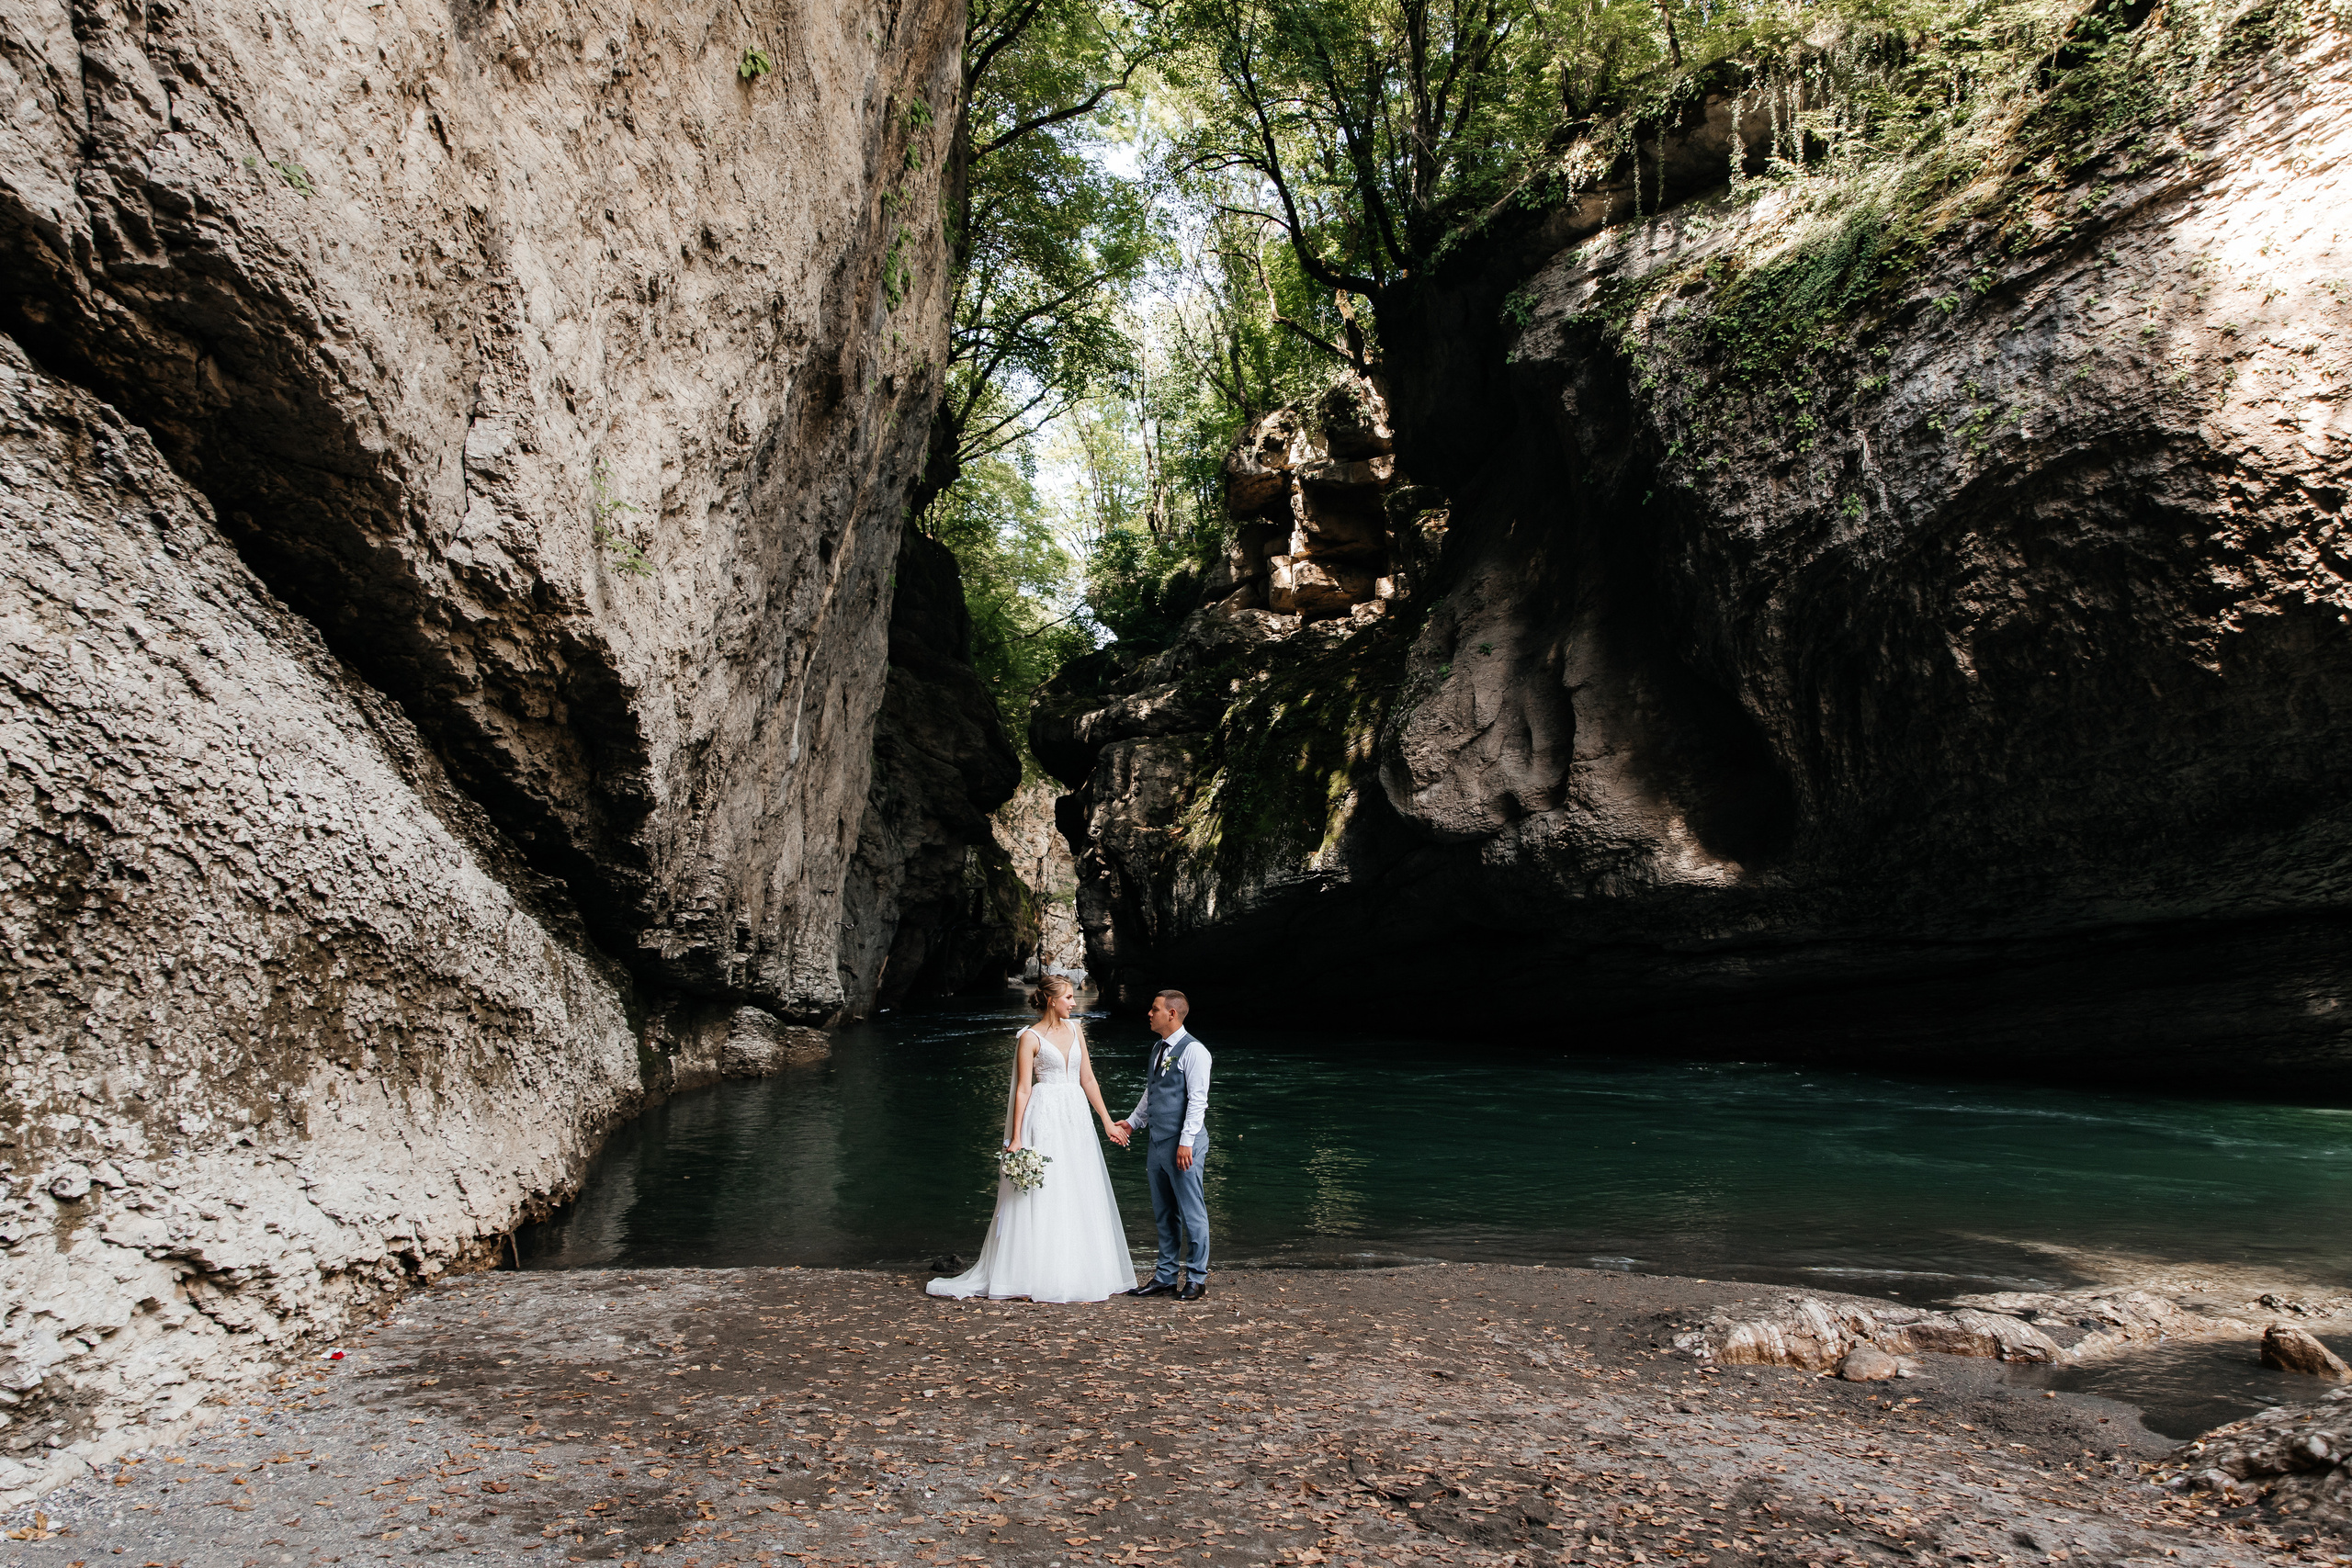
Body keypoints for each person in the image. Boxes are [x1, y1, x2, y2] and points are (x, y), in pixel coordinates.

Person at [927, 976, 1136, 1303]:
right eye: (1068, 997)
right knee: (1045, 1190)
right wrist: (1015, 1137)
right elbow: (1023, 1088)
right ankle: (1032, 1274)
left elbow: (1089, 1079)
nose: (1074, 1002)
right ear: (1052, 1000)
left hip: (1076, 1115)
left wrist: (1108, 1122)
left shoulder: (1077, 1029)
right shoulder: (1029, 1037)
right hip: (1045, 1114)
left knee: (1079, 1185)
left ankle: (1082, 1270)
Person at [1111, 989, 1213, 1302]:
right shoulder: (1157, 1048)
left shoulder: (1196, 1051)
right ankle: (1165, 1276)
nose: (1149, 1013)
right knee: (1164, 1212)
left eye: (1154, 1009)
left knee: (1192, 1212)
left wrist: (1186, 1143)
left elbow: (1198, 1101)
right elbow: (1150, 1093)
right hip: (1157, 1143)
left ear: (1171, 1014)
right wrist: (1132, 1122)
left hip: (1184, 1146)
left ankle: (1196, 1278)